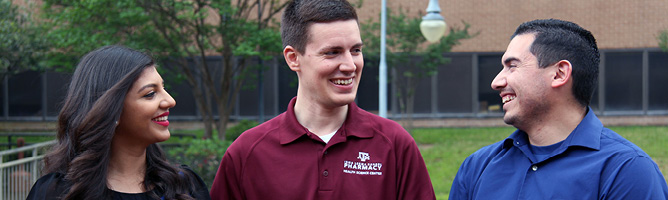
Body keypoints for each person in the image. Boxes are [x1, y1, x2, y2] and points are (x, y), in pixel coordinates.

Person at [209, 0, 435, 199]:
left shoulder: (395, 145)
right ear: (293, 58)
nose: (349, 65)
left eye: (355, 50)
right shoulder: (247, 153)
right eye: (332, 52)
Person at [449, 19, 668, 199]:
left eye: (512, 66)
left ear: (559, 74)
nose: (496, 82)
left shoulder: (626, 171)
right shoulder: (477, 167)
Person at [27, 45, 211, 200]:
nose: (170, 101)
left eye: (164, 88)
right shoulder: (55, 193)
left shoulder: (185, 186)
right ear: (110, 109)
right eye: (150, 94)